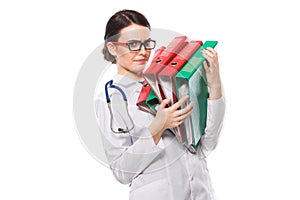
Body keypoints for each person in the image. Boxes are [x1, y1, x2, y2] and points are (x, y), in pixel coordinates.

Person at [95, 9, 225, 200]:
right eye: (133, 44)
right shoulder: (111, 98)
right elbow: (122, 172)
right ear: (113, 48)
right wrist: (157, 127)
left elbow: (207, 144)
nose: (143, 51)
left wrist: (214, 86)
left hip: (202, 192)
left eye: (147, 43)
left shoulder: (171, 83)